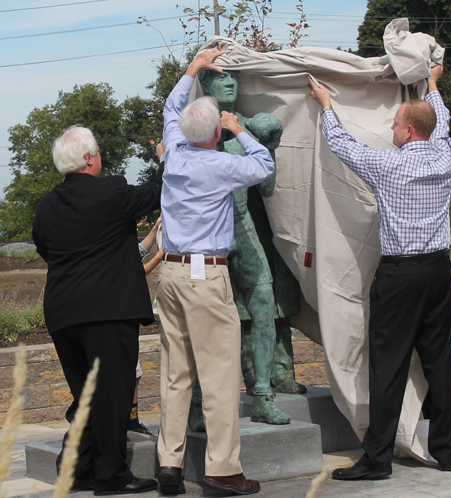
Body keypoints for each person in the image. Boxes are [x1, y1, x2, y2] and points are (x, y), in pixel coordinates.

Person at [308, 65, 451, 479]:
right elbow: (441, 120)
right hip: (440, 273)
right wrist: (432, 84)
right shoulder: (444, 156)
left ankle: (377, 460)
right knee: (440, 361)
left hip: (401, 277)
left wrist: (326, 104)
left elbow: (341, 144)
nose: (391, 129)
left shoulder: (388, 166)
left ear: (410, 130)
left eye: (395, 123)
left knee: (388, 365)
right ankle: (448, 451)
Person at [155, 48, 275, 496]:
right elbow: (264, 166)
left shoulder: (175, 158)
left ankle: (169, 463)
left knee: (176, 371)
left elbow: (171, 109)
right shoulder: (221, 165)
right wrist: (240, 129)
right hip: (206, 277)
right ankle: (222, 467)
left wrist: (192, 70)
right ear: (213, 134)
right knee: (220, 372)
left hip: (169, 274)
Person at [32, 125, 162, 496]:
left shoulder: (47, 206)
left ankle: (75, 468)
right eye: (99, 153)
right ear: (89, 158)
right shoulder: (111, 191)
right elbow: (157, 192)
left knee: (86, 394)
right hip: (107, 309)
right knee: (113, 395)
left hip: (62, 312)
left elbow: (46, 250)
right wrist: (166, 157)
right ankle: (112, 476)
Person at [129, 214, 163, 436]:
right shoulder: (108, 250)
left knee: (135, 374)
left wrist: (155, 229)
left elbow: (139, 251)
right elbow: (135, 272)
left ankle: (132, 421)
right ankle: (129, 423)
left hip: (125, 321)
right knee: (131, 373)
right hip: (115, 321)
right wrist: (161, 255)